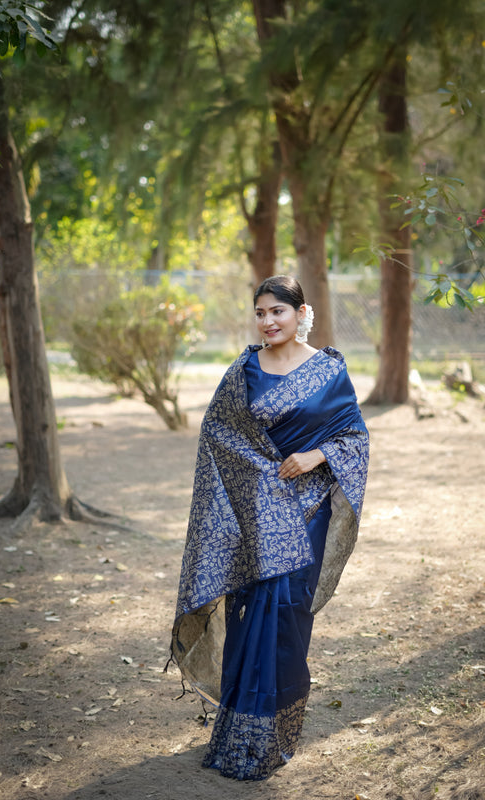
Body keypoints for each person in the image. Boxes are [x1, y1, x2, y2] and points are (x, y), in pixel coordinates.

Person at [168, 275, 369, 781]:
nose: (267, 321)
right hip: (256, 516)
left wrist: (314, 454)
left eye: (278, 311)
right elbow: (217, 434)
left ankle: (277, 732)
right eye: (260, 312)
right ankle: (238, 734)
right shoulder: (244, 371)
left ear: (302, 314)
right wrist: (256, 481)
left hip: (309, 510)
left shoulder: (329, 370)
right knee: (248, 617)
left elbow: (355, 438)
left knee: (288, 616)